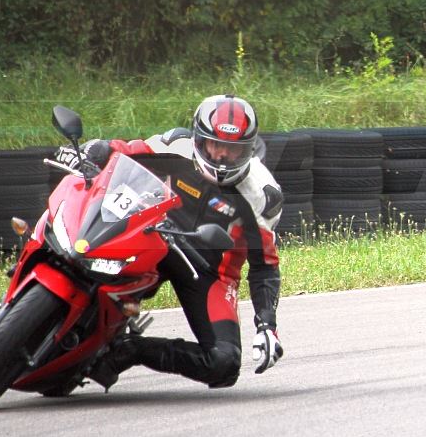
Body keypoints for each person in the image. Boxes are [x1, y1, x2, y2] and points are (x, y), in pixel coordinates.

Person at [57, 94, 284, 390]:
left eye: (233, 149)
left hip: (208, 270)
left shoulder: (263, 195)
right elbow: (122, 151)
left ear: (249, 149)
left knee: (224, 363)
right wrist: (93, 151)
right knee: (83, 252)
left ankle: (131, 349)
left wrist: (267, 325)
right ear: (198, 139)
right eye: (215, 145)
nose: (221, 156)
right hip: (151, 234)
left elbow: (265, 265)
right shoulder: (177, 144)